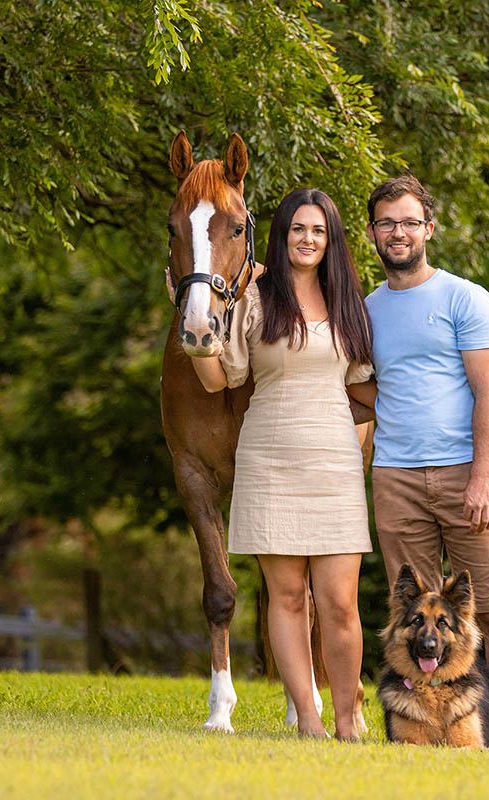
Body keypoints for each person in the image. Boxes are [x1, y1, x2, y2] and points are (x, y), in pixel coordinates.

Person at [189, 188, 374, 740]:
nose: (307, 239)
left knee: (340, 604)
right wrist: (200, 347)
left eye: (317, 230)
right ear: (281, 234)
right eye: (297, 229)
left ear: (330, 239)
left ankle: (349, 720)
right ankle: (310, 723)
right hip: (269, 459)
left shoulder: (348, 302)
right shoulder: (255, 298)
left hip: (335, 461)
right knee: (288, 598)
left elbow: (364, 388)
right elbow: (225, 378)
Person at [360, 175, 489, 688]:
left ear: (428, 229)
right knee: (417, 617)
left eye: (409, 222)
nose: (398, 232)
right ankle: (437, 726)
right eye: (387, 223)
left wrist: (482, 477)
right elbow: (363, 389)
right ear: (372, 232)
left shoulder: (467, 300)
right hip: (396, 479)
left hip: (465, 476)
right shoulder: (365, 310)